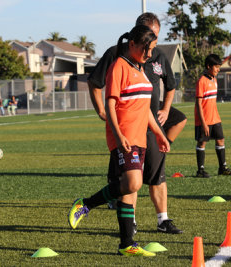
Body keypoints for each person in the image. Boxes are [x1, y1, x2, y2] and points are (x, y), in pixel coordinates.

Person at [68, 25, 170, 257]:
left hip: (140, 138)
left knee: (129, 190)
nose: (150, 54)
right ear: (132, 44)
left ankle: (127, 244)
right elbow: (110, 105)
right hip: (123, 137)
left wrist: (158, 133)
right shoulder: (118, 67)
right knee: (133, 183)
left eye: (152, 49)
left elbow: (145, 110)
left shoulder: (140, 68)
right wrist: (119, 134)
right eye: (146, 49)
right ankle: (86, 204)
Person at [88, 12, 186, 234]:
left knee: (155, 175)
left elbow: (170, 86)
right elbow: (95, 84)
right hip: (126, 129)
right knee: (132, 180)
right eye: (150, 38)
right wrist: (102, 112)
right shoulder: (118, 58)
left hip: (149, 125)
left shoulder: (154, 57)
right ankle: (126, 225)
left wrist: (165, 112)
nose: (150, 50)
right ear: (138, 34)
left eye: (155, 39)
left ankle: (162, 220)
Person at [194, 54, 231, 178]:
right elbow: (199, 104)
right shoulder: (202, 81)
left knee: (220, 140)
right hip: (204, 120)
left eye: (219, 67)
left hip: (215, 118)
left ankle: (222, 167)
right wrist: (203, 123)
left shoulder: (214, 80)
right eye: (216, 67)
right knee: (202, 143)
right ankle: (200, 170)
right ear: (208, 66)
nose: (218, 69)